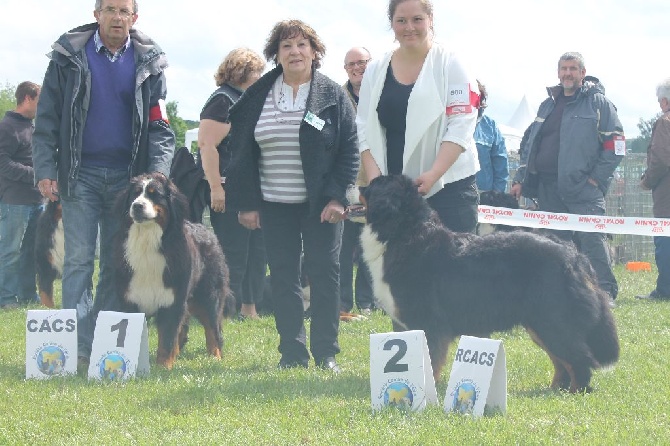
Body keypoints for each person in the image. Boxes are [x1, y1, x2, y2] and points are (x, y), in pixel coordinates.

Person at [32, 0, 175, 364]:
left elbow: (160, 125)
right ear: (96, 14)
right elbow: (46, 119)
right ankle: (78, 348)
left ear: (134, 18)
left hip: (130, 182)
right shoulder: (67, 57)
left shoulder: (150, 63)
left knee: (118, 261)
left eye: (123, 10)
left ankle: (107, 344)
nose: (116, 16)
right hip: (79, 175)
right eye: (109, 8)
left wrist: (157, 173)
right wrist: (46, 169)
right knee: (79, 258)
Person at [225, 19, 358, 373]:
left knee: (325, 273)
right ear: (276, 55)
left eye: (302, 45)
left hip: (321, 206)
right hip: (273, 204)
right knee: (283, 276)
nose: (295, 51)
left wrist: (335, 198)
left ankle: (327, 352)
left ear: (315, 53)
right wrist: (247, 202)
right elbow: (239, 151)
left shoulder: (333, 96)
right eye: (286, 46)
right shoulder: (256, 96)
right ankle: (292, 353)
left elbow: (349, 152)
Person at [357, 0, 480, 234]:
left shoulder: (453, 63)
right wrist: (375, 182)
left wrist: (435, 173)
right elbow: (363, 126)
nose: (409, 27)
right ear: (391, 23)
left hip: (449, 188)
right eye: (401, 21)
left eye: (417, 19)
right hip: (394, 194)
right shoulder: (375, 69)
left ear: (430, 20)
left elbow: (462, 123)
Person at [511, 52, 624, 305]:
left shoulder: (599, 103)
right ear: (558, 73)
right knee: (553, 245)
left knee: (592, 241)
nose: (567, 73)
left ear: (582, 73)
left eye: (573, 68)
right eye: (563, 69)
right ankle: (561, 294)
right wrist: (521, 177)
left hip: (583, 188)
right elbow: (530, 144)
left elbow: (616, 145)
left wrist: (596, 179)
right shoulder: (547, 105)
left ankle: (605, 293)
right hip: (548, 188)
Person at [197, 48, 267, 319]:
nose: (260, 77)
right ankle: (224, 309)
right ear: (242, 71)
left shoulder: (247, 98)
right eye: (256, 71)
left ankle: (250, 307)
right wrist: (216, 188)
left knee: (256, 250)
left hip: (253, 187)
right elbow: (207, 145)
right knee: (232, 252)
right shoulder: (223, 100)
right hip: (227, 187)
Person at [0, 82, 42, 309]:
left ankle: (27, 294)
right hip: (14, 201)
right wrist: (36, 175)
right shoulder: (6, 127)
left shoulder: (33, 127)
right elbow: (3, 163)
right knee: (10, 252)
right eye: (39, 100)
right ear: (27, 98)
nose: (41, 106)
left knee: (31, 252)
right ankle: (6, 298)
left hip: (37, 201)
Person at [340, 47, 374, 317]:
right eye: (351, 64)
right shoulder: (337, 97)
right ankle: (342, 303)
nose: (356, 68)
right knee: (342, 247)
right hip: (345, 181)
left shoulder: (383, 94)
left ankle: (366, 301)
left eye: (361, 62)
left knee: (368, 245)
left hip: (374, 181)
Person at [636, 78, 670, 301]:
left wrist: (646, 181)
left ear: (664, 101)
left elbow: (660, 160)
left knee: (665, 240)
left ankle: (666, 289)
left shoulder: (665, 122)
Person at [474, 80, 508, 193]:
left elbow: (501, 163)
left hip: (484, 194)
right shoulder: (446, 122)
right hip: (451, 194)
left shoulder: (490, 126)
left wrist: (497, 196)